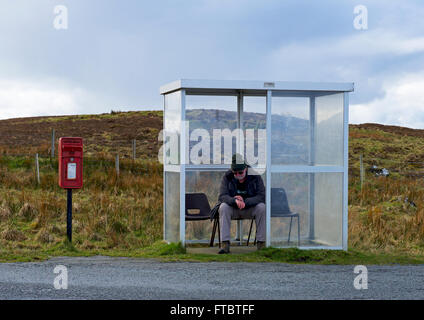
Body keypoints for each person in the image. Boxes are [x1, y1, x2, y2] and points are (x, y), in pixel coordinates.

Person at [217, 153, 266, 254]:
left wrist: (245, 201)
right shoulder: (227, 177)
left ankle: (261, 244)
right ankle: (225, 244)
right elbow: (222, 196)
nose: (238, 175)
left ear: (246, 169)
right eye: (235, 173)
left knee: (262, 207)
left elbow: (261, 196)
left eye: (240, 172)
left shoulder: (255, 176)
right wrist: (234, 200)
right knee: (223, 207)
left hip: (249, 207)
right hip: (233, 208)